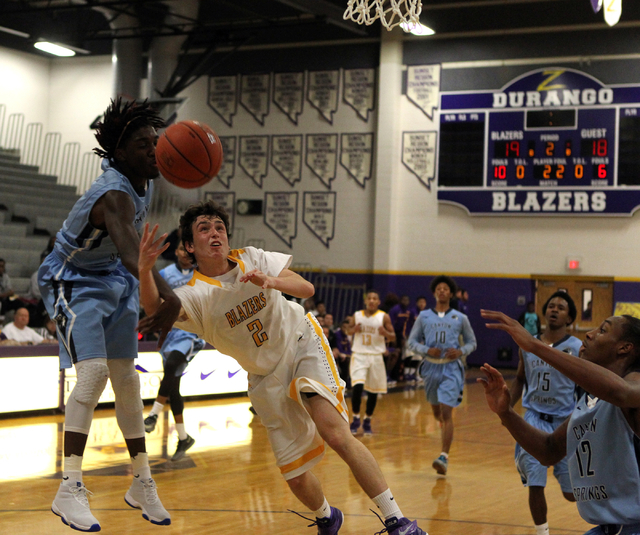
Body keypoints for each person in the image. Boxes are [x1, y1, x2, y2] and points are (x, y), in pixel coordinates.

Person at [137, 201, 426, 535]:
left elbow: (307, 289)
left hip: (300, 340)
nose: (214, 232)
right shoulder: (194, 295)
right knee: (296, 475)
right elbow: (155, 309)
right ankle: (327, 516)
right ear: (189, 246)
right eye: (204, 228)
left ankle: (398, 522)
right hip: (264, 376)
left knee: (334, 432)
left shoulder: (253, 257)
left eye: (219, 226)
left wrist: (270, 282)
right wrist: (145, 270)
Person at [38, 98, 180, 532]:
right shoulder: (114, 193)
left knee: (128, 379)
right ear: (119, 153)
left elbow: (129, 259)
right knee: (94, 373)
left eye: (155, 142)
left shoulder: (143, 179)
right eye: (143, 145)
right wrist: (168, 297)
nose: (154, 151)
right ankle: (69, 488)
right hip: (72, 279)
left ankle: (142, 481)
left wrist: (159, 295)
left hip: (113, 278)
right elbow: (131, 249)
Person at [480, 309, 640, 535]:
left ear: (625, 347)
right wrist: (505, 413)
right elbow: (549, 450)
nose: (590, 334)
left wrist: (536, 347)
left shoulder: (633, 386)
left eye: (602, 330)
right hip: (605, 529)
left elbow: (621, 392)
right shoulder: (590, 399)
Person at [509, 291, 581, 535]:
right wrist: (505, 407)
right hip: (534, 419)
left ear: (569, 317)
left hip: (565, 424)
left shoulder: (577, 347)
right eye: (551, 305)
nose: (554, 309)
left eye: (561, 307)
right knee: (535, 483)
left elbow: (584, 386)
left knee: (571, 494)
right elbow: (520, 379)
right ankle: (543, 533)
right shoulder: (528, 344)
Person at [407, 275, 477, 476]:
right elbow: (411, 342)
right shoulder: (424, 316)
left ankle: (443, 456)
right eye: (439, 288)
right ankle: (441, 423)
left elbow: (472, 342)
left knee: (447, 412)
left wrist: (461, 351)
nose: (442, 291)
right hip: (430, 368)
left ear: (451, 293)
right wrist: (427, 350)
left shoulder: (460, 318)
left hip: (451, 369)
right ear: (434, 292)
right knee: (437, 412)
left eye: (446, 288)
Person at [144, 240, 205, 461]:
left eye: (190, 249)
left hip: (191, 334)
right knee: (173, 384)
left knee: (171, 367)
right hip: (170, 333)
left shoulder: (201, 274)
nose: (186, 253)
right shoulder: (165, 273)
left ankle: (152, 415)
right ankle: (183, 437)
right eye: (182, 249)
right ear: (177, 252)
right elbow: (155, 300)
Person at [349, 289, 396, 436]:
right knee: (357, 386)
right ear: (365, 301)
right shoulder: (357, 315)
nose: (371, 301)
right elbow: (347, 331)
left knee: (373, 391)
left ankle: (368, 420)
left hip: (376, 356)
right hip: (359, 354)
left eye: (374, 298)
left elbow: (393, 337)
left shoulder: (384, 317)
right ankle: (356, 418)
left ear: (378, 302)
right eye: (369, 298)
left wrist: (386, 334)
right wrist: (353, 330)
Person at [388, 295, 416, 381]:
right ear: (400, 300)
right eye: (403, 300)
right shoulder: (395, 310)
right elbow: (390, 324)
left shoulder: (408, 311)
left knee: (401, 356)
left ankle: (398, 375)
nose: (405, 302)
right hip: (393, 334)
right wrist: (393, 337)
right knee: (393, 355)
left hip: (402, 335)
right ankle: (390, 375)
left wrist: (405, 336)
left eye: (407, 300)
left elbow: (408, 324)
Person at [331, 317, 353, 388]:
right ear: (341, 327)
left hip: (347, 355)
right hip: (339, 355)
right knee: (345, 361)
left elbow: (349, 348)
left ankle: (350, 383)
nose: (345, 329)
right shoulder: (337, 334)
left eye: (347, 327)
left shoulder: (348, 335)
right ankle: (343, 384)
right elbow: (337, 347)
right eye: (344, 327)